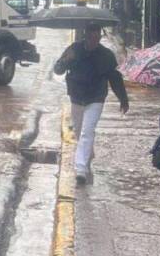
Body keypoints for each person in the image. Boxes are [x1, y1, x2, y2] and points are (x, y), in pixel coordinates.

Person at [54, 23, 129, 185]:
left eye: (96, 37)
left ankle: (81, 169)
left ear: (100, 37)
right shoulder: (74, 49)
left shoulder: (106, 55)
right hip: (76, 97)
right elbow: (58, 69)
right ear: (86, 35)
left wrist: (123, 99)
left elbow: (115, 78)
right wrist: (65, 61)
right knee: (80, 131)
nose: (93, 41)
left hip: (96, 98)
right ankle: (88, 153)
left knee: (87, 132)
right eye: (90, 37)